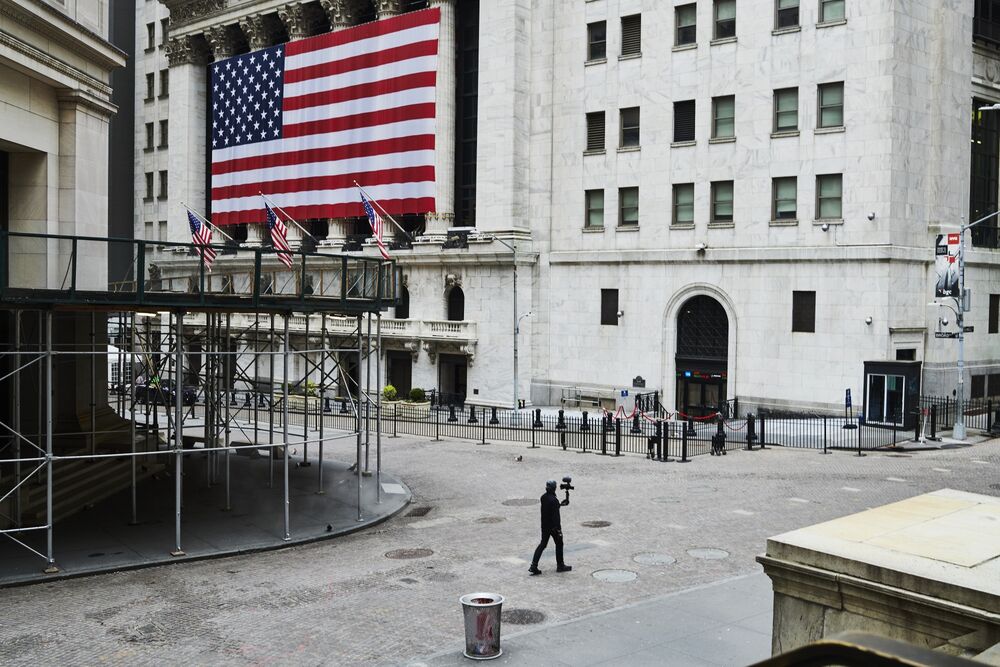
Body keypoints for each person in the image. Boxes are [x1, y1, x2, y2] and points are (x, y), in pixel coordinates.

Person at [529, 480, 571, 575]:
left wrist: (559, 504)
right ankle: (560, 565)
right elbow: (556, 516)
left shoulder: (543, 497)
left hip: (545, 526)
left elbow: (550, 508)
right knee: (559, 544)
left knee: (542, 544)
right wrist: (558, 529)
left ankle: (533, 565)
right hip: (553, 527)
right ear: (554, 488)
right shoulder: (554, 500)